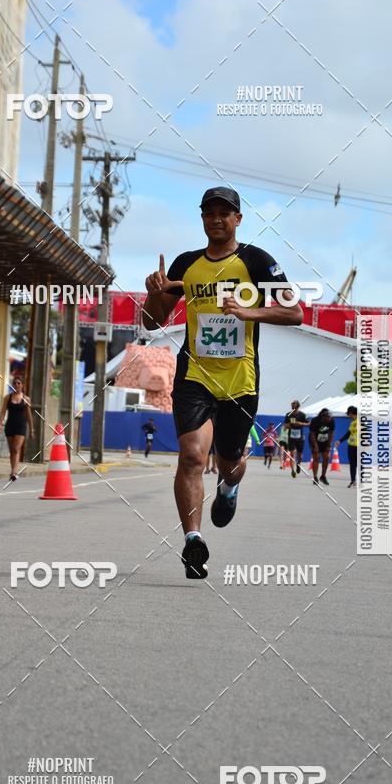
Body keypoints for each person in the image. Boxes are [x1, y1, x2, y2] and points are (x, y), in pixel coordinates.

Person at [141, 186, 302, 578]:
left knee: (230, 463)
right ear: (202, 219)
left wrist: (251, 312)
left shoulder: (257, 261)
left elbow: (294, 312)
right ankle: (193, 542)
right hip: (195, 373)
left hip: (241, 378)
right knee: (193, 456)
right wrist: (154, 294)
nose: (216, 219)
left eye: (224, 213)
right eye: (209, 212)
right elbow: (152, 322)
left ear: (238, 220)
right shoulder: (186, 265)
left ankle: (229, 489)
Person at [0, 375, 34, 481]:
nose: (16, 385)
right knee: (11, 450)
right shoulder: (8, 397)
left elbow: (29, 415)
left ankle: (14, 472)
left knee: (16, 448)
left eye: (19, 383)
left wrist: (31, 429)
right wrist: (0, 424)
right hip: (10, 425)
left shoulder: (26, 399)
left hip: (21, 426)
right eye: (15, 383)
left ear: (22, 385)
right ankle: (12, 470)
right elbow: (3, 412)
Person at [309, 408, 335, 485]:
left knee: (326, 457)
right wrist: (315, 446)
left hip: (325, 440)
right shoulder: (315, 421)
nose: (329, 419)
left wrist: (329, 444)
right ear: (323, 417)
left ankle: (323, 476)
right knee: (316, 457)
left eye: (330, 417)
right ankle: (315, 477)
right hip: (314, 439)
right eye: (328, 418)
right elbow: (312, 434)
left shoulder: (331, 421)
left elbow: (331, 433)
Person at [285, 399, 309, 478]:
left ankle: (298, 464)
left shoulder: (303, 415)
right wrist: (289, 425)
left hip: (300, 437)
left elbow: (309, 423)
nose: (292, 405)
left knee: (300, 454)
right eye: (291, 404)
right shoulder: (288, 414)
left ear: (297, 405)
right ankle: (293, 470)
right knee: (292, 453)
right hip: (291, 436)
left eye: (294, 404)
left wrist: (300, 423)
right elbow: (285, 426)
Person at [335, 405, 358, 487]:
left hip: (359, 446)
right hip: (351, 445)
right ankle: (353, 480)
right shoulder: (352, 423)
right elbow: (348, 433)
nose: (348, 416)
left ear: (351, 413)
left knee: (359, 464)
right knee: (352, 464)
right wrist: (340, 441)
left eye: (348, 414)